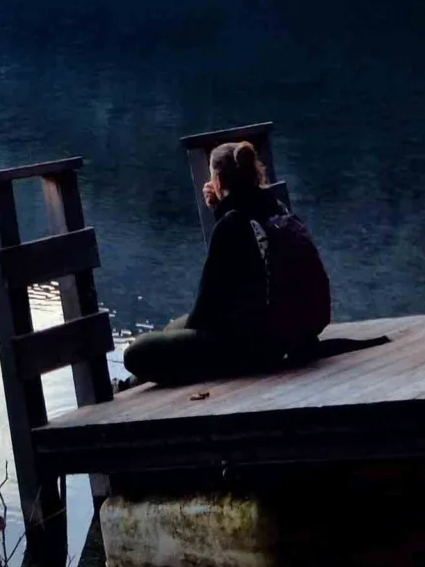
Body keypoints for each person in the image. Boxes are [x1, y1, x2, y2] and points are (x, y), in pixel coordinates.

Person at [121, 140, 333, 387]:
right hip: (288, 331)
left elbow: (206, 308)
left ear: (218, 182)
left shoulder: (231, 225)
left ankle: (138, 379)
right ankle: (141, 377)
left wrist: (189, 333)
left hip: (252, 345)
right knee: (172, 329)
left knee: (137, 352)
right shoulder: (276, 206)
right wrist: (220, 209)